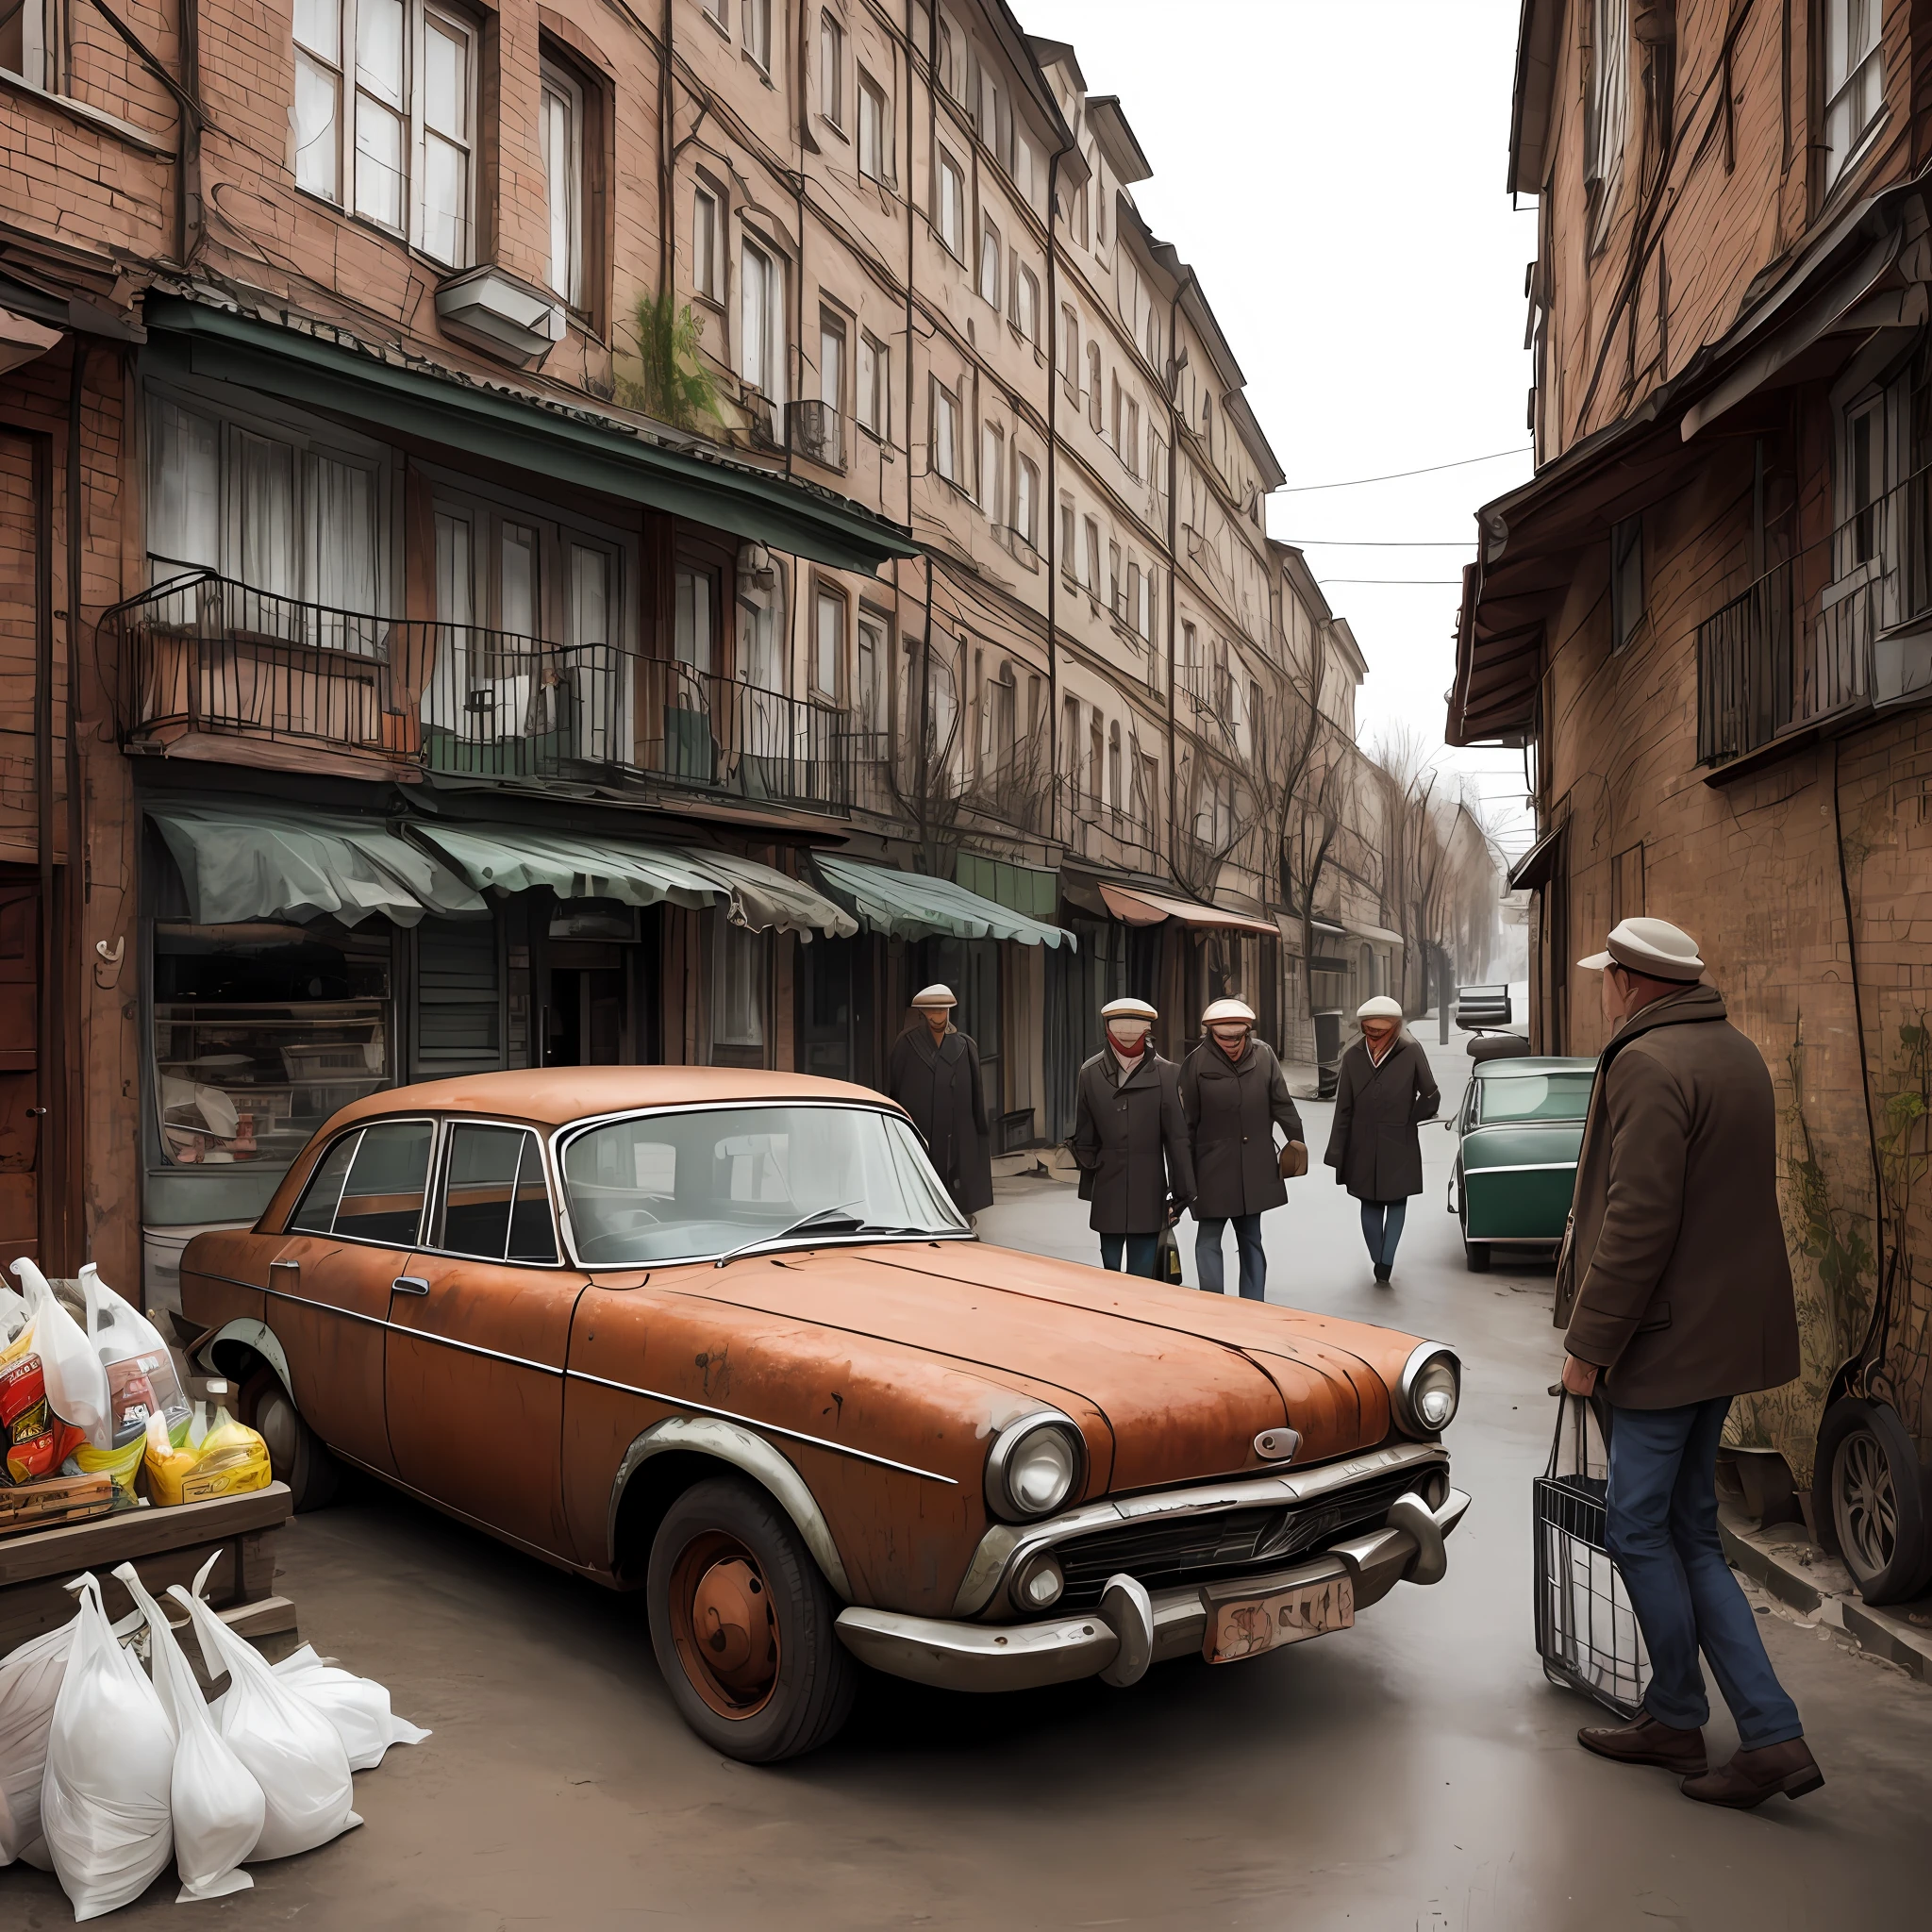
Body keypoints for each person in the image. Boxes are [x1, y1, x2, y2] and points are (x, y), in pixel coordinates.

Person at [1558, 917, 1819, 1808]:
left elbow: (1637, 1222)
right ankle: (1765, 1734)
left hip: (1662, 1343)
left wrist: (1589, 1348)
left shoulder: (1645, 1062)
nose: (1604, 990)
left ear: (1631, 983)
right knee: (1689, 1529)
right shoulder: (1734, 1051)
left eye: (1608, 978)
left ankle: (1685, 1716)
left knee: (1639, 1528)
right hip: (1720, 1339)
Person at [1179, 998, 1303, 1300]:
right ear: (1210, 1033)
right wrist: (1182, 1174)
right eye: (1224, 1038)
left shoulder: (1264, 1056)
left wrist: (1296, 1144)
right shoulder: (1195, 1063)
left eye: (1239, 1037)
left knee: (1251, 1238)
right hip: (1210, 1167)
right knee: (1208, 1237)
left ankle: (1253, 1307)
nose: (1232, 1043)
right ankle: (1214, 1306)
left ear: (1248, 1032)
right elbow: (1185, 1124)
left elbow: (1281, 1102)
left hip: (1255, 1164)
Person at [1071, 996, 1195, 1277]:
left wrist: (1182, 1194)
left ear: (1147, 1030)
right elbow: (1085, 1132)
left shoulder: (1168, 1074)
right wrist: (1092, 1170)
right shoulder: (1090, 1073)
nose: (1126, 1033)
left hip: (1149, 1188)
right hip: (1108, 1186)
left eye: (1134, 1027)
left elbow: (1177, 1138)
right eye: (1119, 1027)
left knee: (1143, 1275)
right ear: (1107, 1028)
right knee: (1110, 1271)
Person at [1323, 995, 1439, 1283]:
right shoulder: (1352, 1057)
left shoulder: (1411, 1051)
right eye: (1368, 1032)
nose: (1373, 1039)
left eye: (1380, 1033)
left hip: (1400, 1140)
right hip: (1362, 1143)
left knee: (1397, 1201)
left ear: (1395, 1028)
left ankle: (1386, 1261)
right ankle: (1378, 1258)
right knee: (1369, 1202)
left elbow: (1431, 1094)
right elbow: (1343, 1108)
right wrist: (1336, 1151)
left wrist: (1410, 1118)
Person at [885, 984, 992, 1218]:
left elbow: (977, 1096)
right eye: (932, 1011)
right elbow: (893, 1089)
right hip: (920, 1127)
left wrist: (978, 1130)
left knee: (956, 1176)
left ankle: (959, 1214)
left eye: (943, 1010)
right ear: (922, 1013)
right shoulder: (906, 1044)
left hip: (957, 1129)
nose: (938, 1016)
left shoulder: (965, 1046)